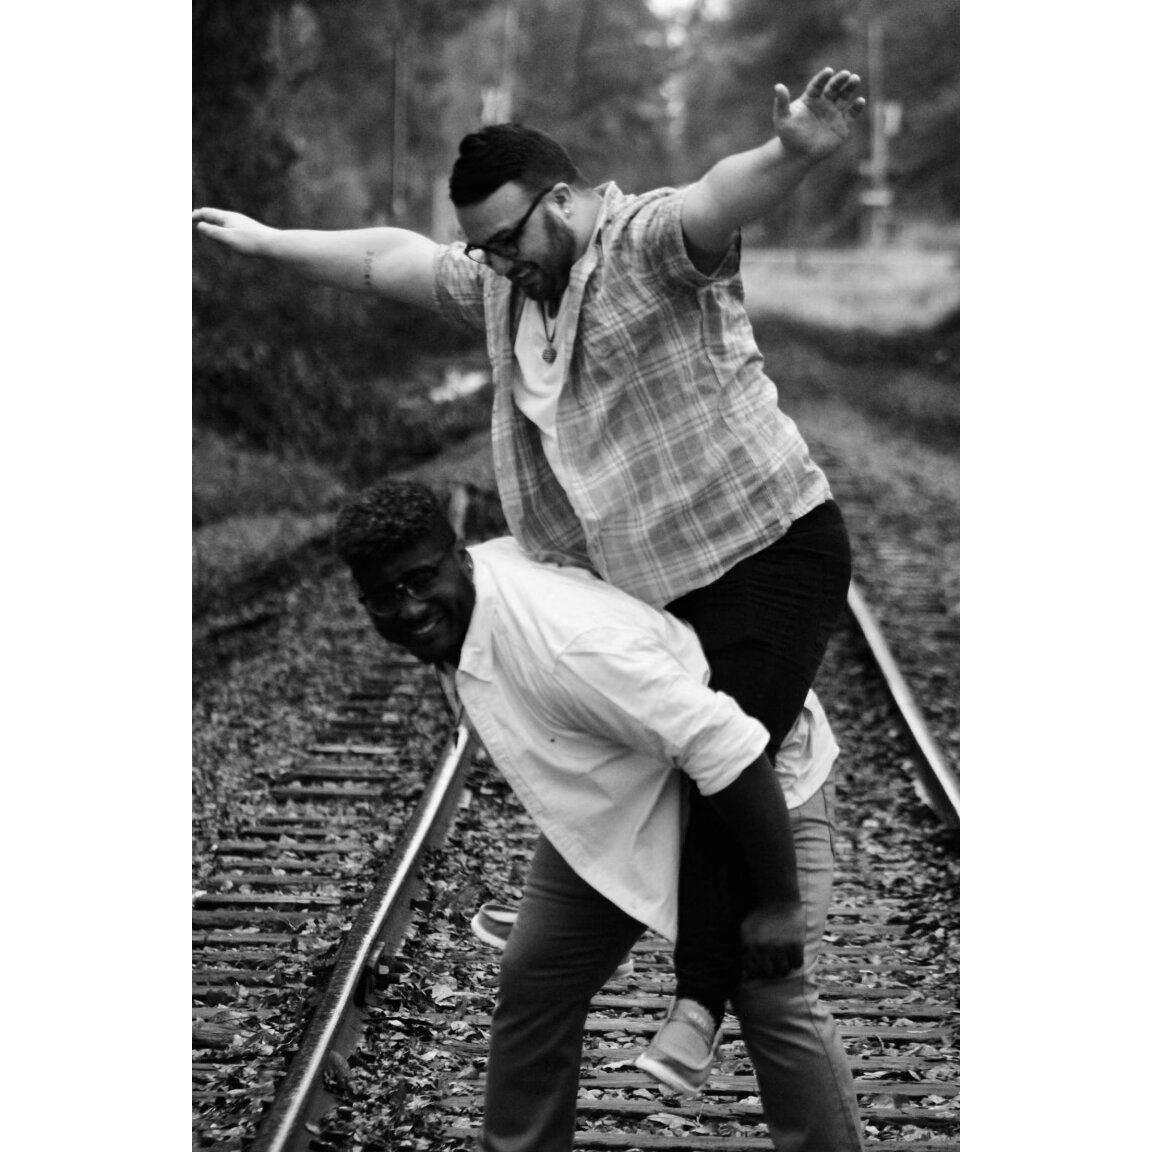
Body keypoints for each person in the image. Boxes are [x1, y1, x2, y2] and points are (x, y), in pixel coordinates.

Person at [194, 65, 864, 1120]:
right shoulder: (509, 285)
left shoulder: (644, 246)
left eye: (509, 239)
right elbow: (389, 261)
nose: (497, 263)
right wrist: (268, 241)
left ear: (561, 200)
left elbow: (712, 198)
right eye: (484, 250)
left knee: (723, 767)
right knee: (643, 747)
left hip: (764, 554)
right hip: (657, 588)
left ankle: (696, 1004)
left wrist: (791, 153)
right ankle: (594, 913)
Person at [332, 479, 865, 1152]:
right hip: (635, 793)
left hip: (757, 787)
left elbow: (731, 748)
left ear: (460, 559)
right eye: (385, 595)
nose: (409, 608)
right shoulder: (469, 612)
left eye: (419, 580)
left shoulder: (565, 646)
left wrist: (779, 902)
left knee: (769, 991)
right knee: (538, 973)